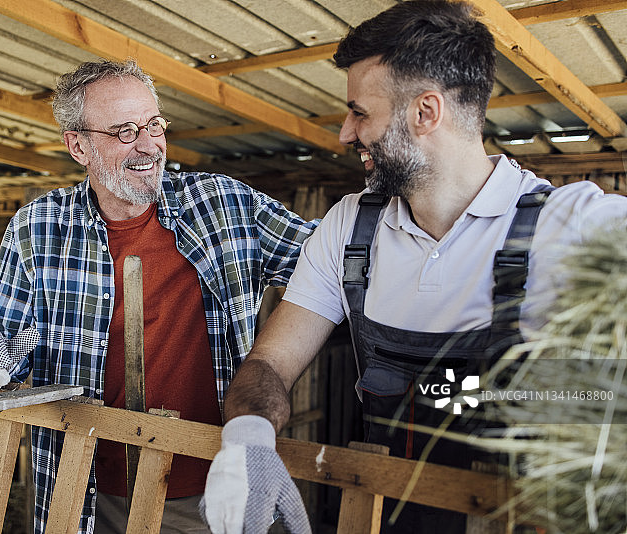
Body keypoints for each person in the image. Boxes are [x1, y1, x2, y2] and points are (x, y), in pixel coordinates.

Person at [201, 1, 627, 533]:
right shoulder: (348, 228)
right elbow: (270, 362)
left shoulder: (573, 225)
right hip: (383, 516)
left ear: (425, 112)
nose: (344, 133)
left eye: (360, 112)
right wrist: (249, 437)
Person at [0, 59, 318, 533]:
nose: (148, 146)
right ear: (78, 145)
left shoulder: (225, 206)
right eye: (124, 131)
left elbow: (325, 263)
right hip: (85, 491)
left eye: (154, 125)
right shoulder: (37, 228)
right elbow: (3, 347)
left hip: (207, 489)